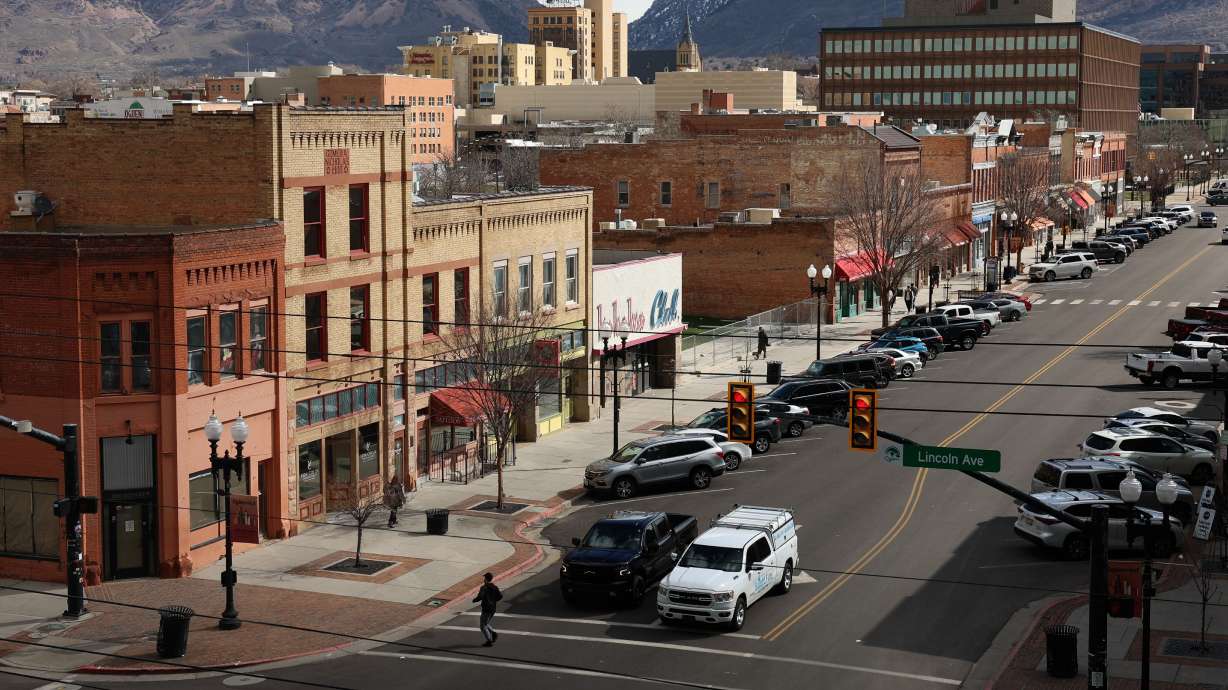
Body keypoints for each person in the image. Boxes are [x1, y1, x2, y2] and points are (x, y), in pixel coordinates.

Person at [473, 572, 502, 646]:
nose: (484, 580)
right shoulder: (495, 587)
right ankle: (493, 633)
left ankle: (489, 641)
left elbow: (480, 596)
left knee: (482, 626)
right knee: (486, 623)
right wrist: (493, 601)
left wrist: (474, 600)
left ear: (486, 579)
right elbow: (500, 596)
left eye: (484, 578)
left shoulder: (484, 588)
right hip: (493, 608)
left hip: (486, 609)